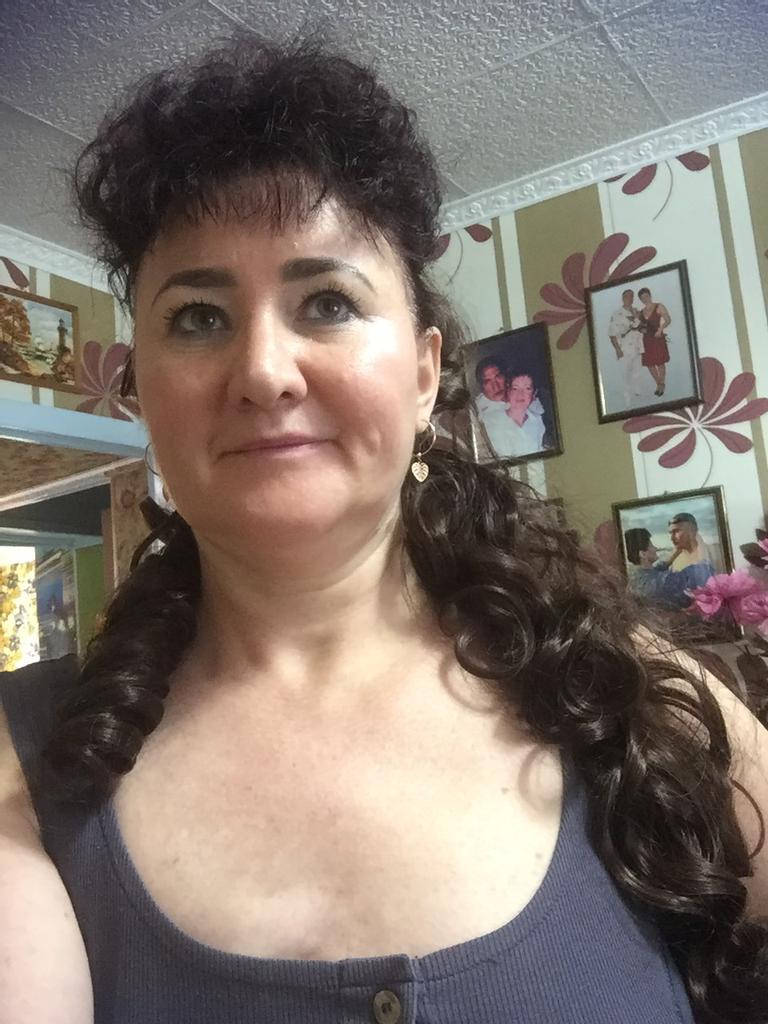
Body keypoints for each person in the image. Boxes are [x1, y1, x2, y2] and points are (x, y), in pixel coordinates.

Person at [0, 34, 766, 1024]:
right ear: (141, 390)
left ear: (422, 375)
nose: (264, 370)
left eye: (326, 302)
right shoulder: (22, 754)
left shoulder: (628, 691)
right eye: (196, 318)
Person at [624, 527, 715, 611]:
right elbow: (701, 575)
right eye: (651, 546)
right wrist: (700, 546)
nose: (655, 548)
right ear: (643, 554)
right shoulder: (662, 583)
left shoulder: (635, 577)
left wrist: (674, 555)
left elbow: (654, 571)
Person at [482, 370, 547, 458]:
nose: (520, 394)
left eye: (527, 388)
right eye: (515, 388)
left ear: (534, 393)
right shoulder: (490, 422)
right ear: (508, 391)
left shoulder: (537, 421)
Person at [607, 288, 644, 406]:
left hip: (637, 346)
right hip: (625, 348)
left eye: (632, 296)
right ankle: (626, 397)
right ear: (623, 298)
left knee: (637, 372)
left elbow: (642, 327)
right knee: (625, 375)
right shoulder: (617, 314)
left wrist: (639, 318)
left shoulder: (636, 311)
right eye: (628, 296)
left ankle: (637, 393)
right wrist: (617, 350)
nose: (630, 299)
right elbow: (612, 334)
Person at [638, 286, 671, 397]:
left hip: (657, 337)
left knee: (660, 362)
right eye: (642, 298)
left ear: (650, 295)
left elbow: (668, 320)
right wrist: (641, 329)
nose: (645, 299)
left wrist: (660, 329)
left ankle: (662, 384)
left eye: (646, 296)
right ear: (640, 300)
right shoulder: (641, 312)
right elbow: (641, 327)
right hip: (647, 340)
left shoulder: (659, 306)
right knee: (650, 364)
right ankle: (659, 384)